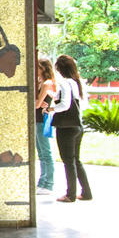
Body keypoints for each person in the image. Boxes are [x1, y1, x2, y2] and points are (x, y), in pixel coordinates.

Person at [50, 54, 93, 202]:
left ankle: (70, 194)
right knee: (76, 160)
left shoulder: (65, 83)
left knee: (68, 161)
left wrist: (51, 109)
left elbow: (64, 105)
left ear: (60, 69)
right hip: (77, 126)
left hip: (66, 127)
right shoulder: (77, 83)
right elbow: (81, 104)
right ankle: (86, 192)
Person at [34, 56, 57, 194]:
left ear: (43, 68)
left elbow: (37, 104)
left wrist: (36, 101)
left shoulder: (47, 83)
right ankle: (42, 182)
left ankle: (48, 184)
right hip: (37, 119)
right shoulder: (40, 82)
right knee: (41, 153)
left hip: (42, 119)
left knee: (45, 152)